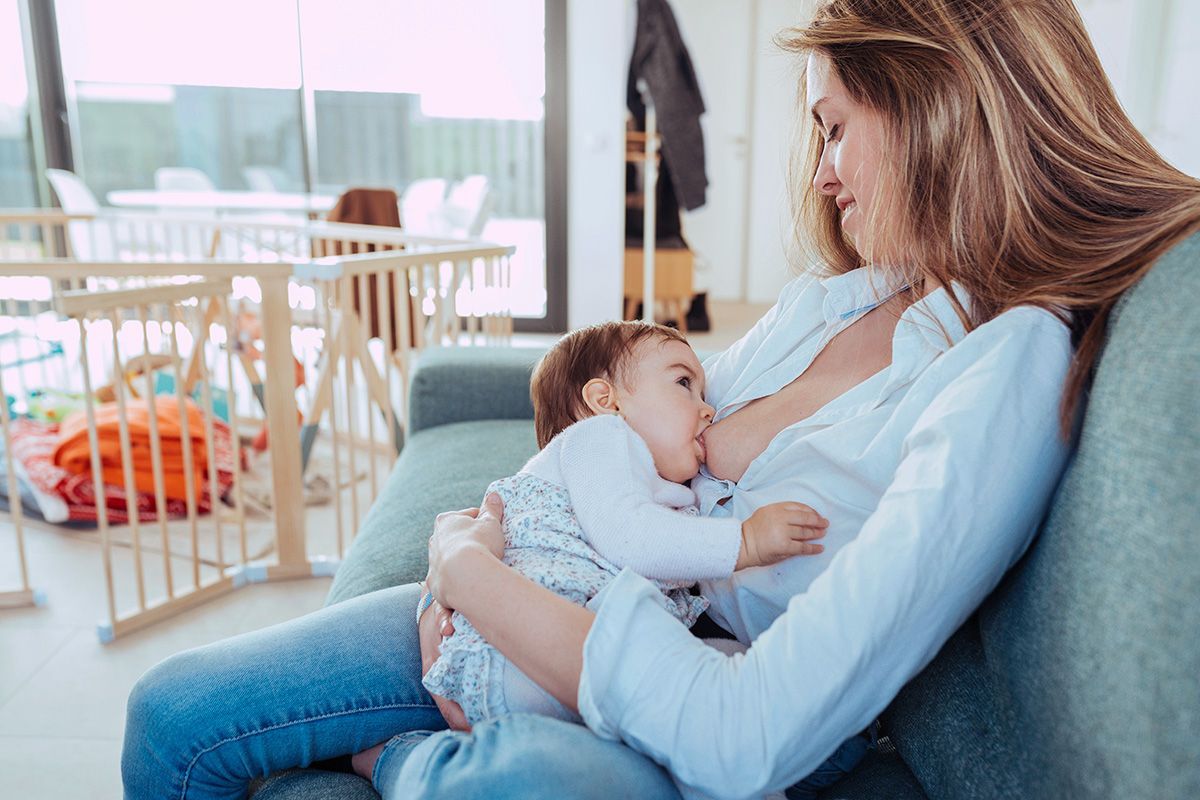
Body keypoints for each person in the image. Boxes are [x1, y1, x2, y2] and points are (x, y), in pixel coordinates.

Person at [121, 1, 1200, 798]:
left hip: (656, 665)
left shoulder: (1002, 373)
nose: (823, 171)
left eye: (834, 125)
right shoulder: (845, 296)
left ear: (939, 107)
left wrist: (467, 577)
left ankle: (403, 761)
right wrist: (480, 527)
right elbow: (646, 419)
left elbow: (744, 731)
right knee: (170, 713)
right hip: (559, 576)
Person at [417, 319, 828, 728]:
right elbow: (629, 536)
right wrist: (747, 541)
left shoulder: (657, 482)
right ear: (606, 401)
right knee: (726, 694)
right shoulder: (599, 437)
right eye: (683, 383)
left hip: (541, 658)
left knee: (730, 670)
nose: (708, 409)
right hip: (524, 652)